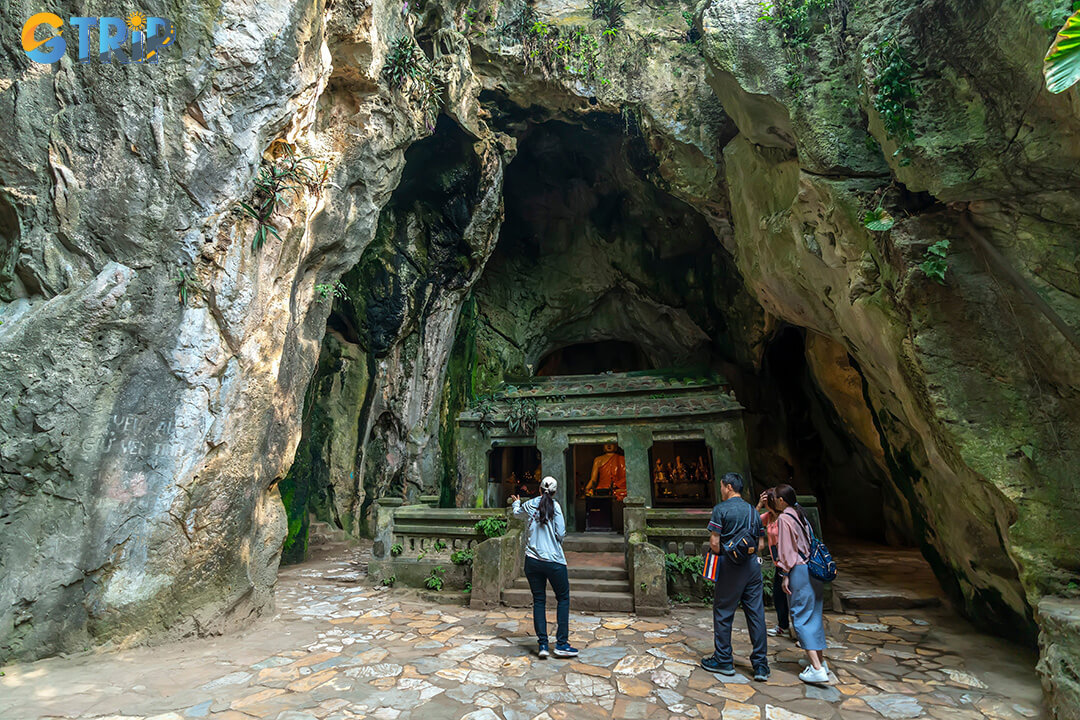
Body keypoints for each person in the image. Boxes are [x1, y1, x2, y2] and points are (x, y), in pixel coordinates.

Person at [700, 472, 770, 682]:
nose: (720, 490)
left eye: (721, 486)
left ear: (729, 487)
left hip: (730, 566)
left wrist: (725, 556)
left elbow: (714, 543)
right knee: (756, 614)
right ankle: (760, 666)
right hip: (752, 567)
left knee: (723, 611)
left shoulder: (721, 509)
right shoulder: (752, 510)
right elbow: (760, 545)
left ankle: (723, 659)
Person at [511, 476, 578, 659]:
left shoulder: (530, 504)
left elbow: (517, 514)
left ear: (539, 489)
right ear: (555, 492)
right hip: (554, 561)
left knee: (539, 600)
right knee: (563, 598)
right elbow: (561, 532)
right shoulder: (555, 507)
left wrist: (516, 503)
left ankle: (542, 645)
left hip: (532, 561)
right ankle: (562, 644)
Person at [771, 483, 829, 684]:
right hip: (814, 569)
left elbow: (787, 551)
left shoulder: (785, 518)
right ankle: (821, 662)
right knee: (814, 615)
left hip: (799, 570)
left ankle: (816, 668)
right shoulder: (801, 515)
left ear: (780, 500)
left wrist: (785, 574)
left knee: (800, 616)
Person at [757, 488, 792, 640]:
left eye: (767, 502)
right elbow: (751, 520)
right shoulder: (769, 517)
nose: (765, 505)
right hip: (778, 563)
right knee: (778, 596)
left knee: (792, 597)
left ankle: (799, 632)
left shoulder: (786, 518)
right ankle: (783, 626)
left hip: (789, 562)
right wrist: (758, 505)